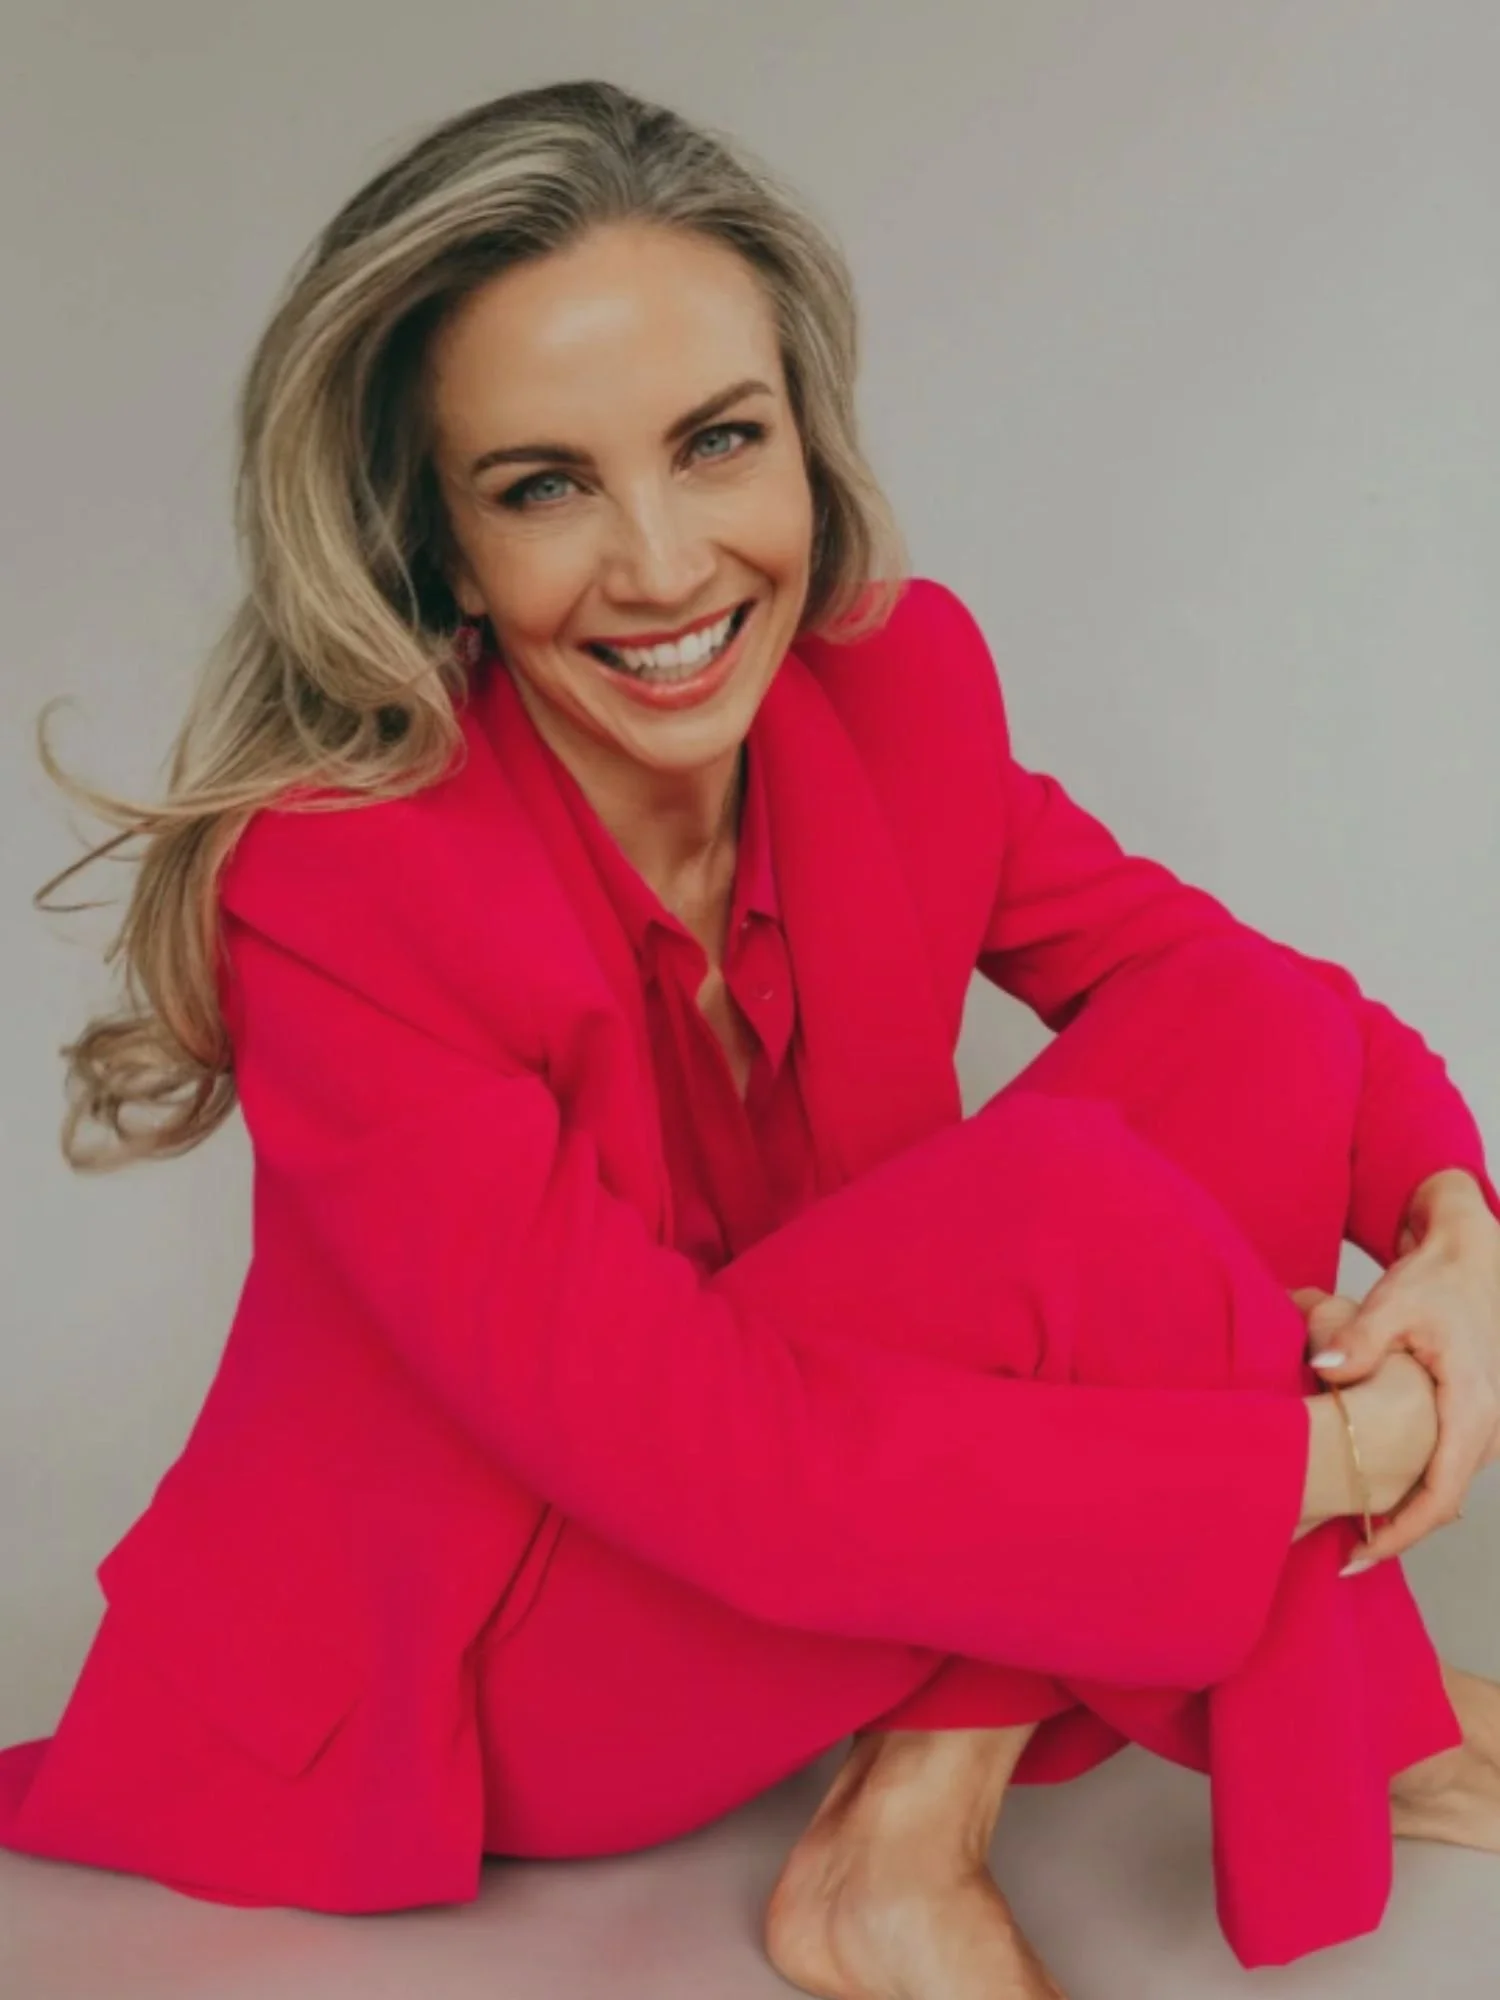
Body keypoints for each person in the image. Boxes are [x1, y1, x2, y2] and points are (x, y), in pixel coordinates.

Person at [4, 78, 1500, 2000]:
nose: (661, 567)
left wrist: (1463, 1246)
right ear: (443, 548)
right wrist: (1337, 1457)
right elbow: (735, 1473)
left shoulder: (891, 689)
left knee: (1240, 1039)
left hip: (797, 1482)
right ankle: (1354, 1703)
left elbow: (1263, 1021)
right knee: (1078, 1219)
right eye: (544, 484)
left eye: (718, 444)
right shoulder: (339, 891)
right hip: (505, 1652)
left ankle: (903, 1839)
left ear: (807, 442)